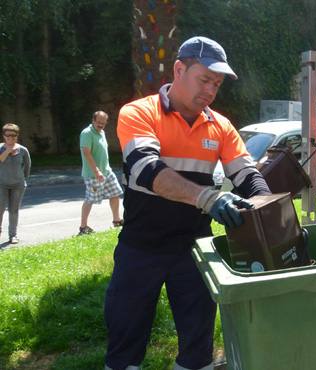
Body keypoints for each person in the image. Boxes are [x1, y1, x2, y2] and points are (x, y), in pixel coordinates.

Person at [104, 36, 270, 370]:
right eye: (204, 79)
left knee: (198, 348)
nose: (210, 90)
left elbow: (248, 175)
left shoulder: (220, 126)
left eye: (217, 84)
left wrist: (268, 211)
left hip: (194, 250)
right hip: (141, 247)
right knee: (125, 343)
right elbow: (147, 169)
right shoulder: (139, 112)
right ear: (179, 69)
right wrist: (208, 198)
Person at [79, 111, 124, 235]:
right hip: (93, 174)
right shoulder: (87, 133)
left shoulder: (102, 132)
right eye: (99, 122)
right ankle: (83, 227)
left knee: (115, 193)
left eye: (103, 123)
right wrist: (96, 171)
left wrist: (104, 170)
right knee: (90, 199)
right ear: (93, 120)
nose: (101, 125)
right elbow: (86, 153)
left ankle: (116, 220)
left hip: (107, 171)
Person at [0, 123, 31, 244]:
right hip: (1, 184)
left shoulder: (23, 150)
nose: (11, 138)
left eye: (13, 136)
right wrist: (7, 151)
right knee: (0, 209)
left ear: (17, 136)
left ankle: (13, 235)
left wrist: (23, 179)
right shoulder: (1, 148)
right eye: (8, 136)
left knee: (14, 210)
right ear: (4, 136)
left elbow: (27, 165)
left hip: (18, 185)